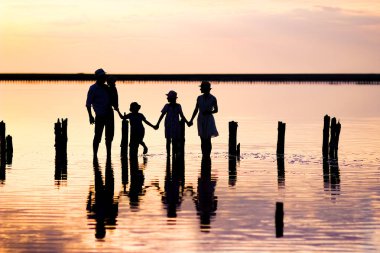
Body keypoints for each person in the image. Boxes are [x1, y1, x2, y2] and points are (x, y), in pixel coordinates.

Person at [86, 68, 115, 158]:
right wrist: (90, 116)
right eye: (102, 76)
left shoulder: (107, 87)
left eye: (104, 76)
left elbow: (114, 99)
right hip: (99, 115)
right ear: (98, 78)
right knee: (98, 136)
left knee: (109, 137)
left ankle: (109, 155)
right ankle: (95, 155)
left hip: (109, 114)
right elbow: (88, 104)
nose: (104, 78)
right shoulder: (93, 88)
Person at [188, 81, 219, 156]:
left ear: (206, 89)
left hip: (209, 119)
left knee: (208, 139)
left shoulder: (213, 98)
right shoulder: (199, 98)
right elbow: (196, 109)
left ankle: (207, 155)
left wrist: (209, 112)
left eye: (201, 88)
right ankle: (204, 155)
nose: (200, 89)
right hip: (201, 119)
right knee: (202, 139)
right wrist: (191, 120)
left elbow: (216, 110)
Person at [156, 90, 188, 156]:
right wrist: (158, 124)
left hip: (176, 125)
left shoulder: (178, 106)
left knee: (174, 140)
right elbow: (162, 115)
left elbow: (182, 115)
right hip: (168, 125)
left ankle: (173, 154)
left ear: (172, 98)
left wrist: (187, 122)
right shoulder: (167, 106)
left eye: (168, 97)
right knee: (168, 140)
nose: (167, 98)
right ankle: (168, 155)